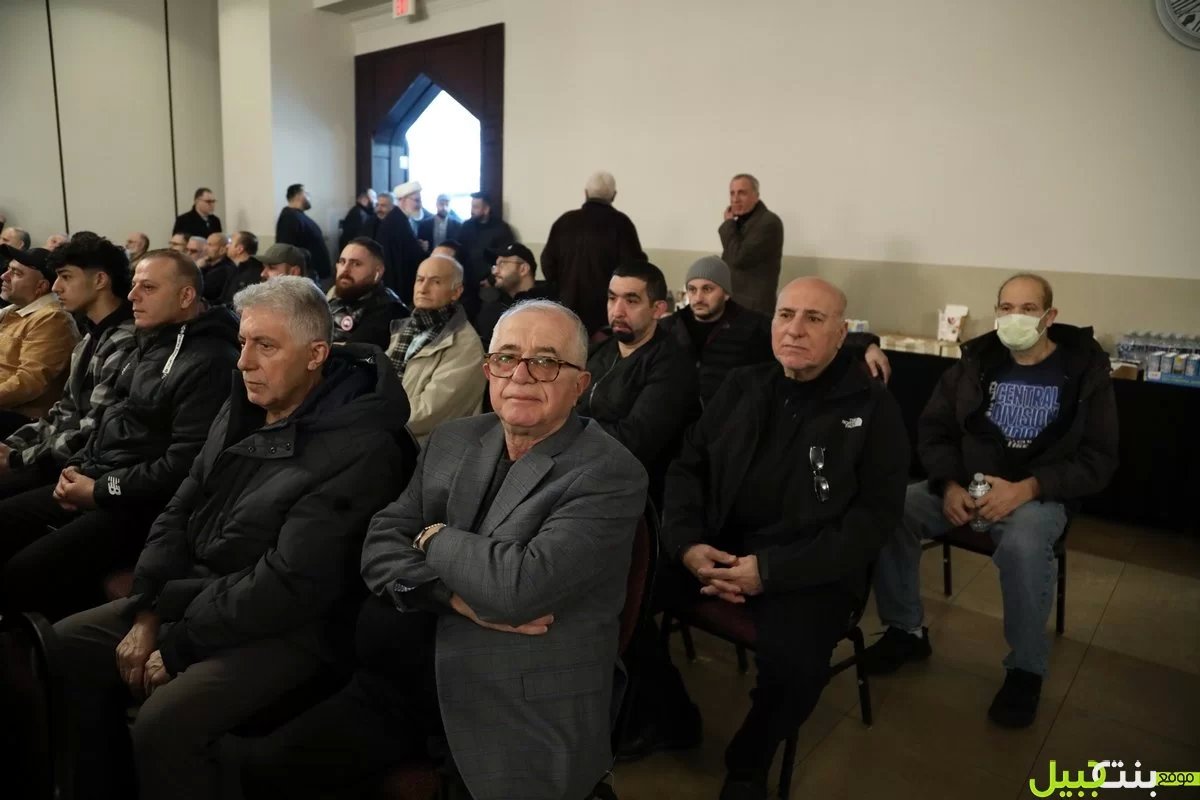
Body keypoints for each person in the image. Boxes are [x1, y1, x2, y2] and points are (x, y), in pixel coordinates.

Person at [243, 299, 648, 800]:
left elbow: (517, 590)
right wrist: (450, 596)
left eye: (545, 361)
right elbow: (379, 543)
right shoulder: (454, 439)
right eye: (506, 357)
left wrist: (432, 535)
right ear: (488, 370)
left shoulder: (609, 472)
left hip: (514, 700)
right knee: (265, 770)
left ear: (580, 383)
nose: (520, 375)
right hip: (403, 679)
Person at [53, 276, 412, 800]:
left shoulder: (363, 447)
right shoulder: (243, 404)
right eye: (243, 342)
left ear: (316, 354)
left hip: (291, 627)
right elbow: (181, 507)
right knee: (64, 646)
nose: (243, 361)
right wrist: (150, 608)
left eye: (265, 346)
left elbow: (290, 583)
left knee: (165, 724)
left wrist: (177, 641)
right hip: (194, 594)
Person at [658, 277, 910, 798]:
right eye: (785, 315)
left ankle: (748, 761)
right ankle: (668, 714)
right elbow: (688, 466)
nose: (794, 330)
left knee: (797, 668)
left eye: (814, 319)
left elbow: (874, 519)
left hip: (810, 569)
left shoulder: (872, 408)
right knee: (617, 592)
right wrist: (686, 544)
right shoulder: (743, 385)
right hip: (716, 549)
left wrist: (769, 572)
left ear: (841, 333)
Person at [865, 273, 1119, 729]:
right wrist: (948, 484)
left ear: (1049, 317)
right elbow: (935, 431)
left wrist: (1029, 488)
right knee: (891, 509)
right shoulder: (974, 364)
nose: (1014, 317)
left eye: (1027, 309)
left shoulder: (1084, 375)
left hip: (1038, 495)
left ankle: (1025, 669)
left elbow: (1098, 459)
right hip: (966, 487)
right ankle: (905, 630)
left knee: (1024, 545)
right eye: (1006, 308)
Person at [0, 250, 239, 621]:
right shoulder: (151, 340)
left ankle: (42, 646)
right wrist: (77, 467)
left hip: (141, 504)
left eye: (148, 288)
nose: (132, 296)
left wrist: (98, 489)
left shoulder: (210, 361)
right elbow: (107, 417)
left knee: (23, 571)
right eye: (134, 285)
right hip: (103, 475)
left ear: (186, 296)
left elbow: (181, 467)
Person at [0, 237, 135, 501]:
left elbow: (93, 429)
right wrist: (11, 446)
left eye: (66, 277)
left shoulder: (123, 341)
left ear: (100, 280)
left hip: (88, 468)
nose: (56, 286)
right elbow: (65, 411)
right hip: (62, 453)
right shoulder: (91, 337)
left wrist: (17, 458)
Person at [660, 256, 892, 405]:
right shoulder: (671, 326)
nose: (698, 297)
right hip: (680, 419)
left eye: (707, 289)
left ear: (726, 292)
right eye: (692, 289)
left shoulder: (750, 324)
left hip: (731, 417)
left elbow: (804, 334)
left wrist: (865, 345)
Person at [576, 260, 699, 505]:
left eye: (631, 301)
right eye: (612, 298)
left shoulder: (672, 365)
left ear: (658, 309)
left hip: (633, 490)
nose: (617, 311)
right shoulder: (599, 350)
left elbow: (634, 441)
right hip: (580, 469)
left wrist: (565, 430)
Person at [384, 255, 486, 442]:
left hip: (426, 447)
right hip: (389, 433)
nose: (423, 288)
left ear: (456, 292)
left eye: (435, 282)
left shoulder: (466, 345)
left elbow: (430, 412)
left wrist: (373, 418)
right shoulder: (405, 329)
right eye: (420, 279)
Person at [541, 171, 646, 336]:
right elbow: (635, 269)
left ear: (585, 193)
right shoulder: (622, 225)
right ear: (614, 196)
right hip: (605, 316)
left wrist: (562, 289)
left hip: (566, 309)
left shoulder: (564, 222)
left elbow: (547, 263)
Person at [0, 246, 80, 437]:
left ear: (41, 287)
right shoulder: (13, 311)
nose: (4, 276)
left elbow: (29, 383)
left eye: (16, 273)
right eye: (8, 269)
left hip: (23, 420)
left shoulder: (52, 319)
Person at [718, 174, 784, 317]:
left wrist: (728, 224)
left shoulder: (768, 222)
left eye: (742, 193)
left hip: (753, 308)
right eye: (732, 193)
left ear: (756, 196)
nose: (735, 199)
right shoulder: (740, 223)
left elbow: (738, 257)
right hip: (734, 303)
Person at [328, 237, 409, 349]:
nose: (345, 269)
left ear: (378, 272)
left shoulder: (390, 309)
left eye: (356, 264)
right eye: (342, 262)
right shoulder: (335, 298)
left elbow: (353, 353)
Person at [475, 242, 557, 345]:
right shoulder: (491, 309)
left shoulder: (551, 305)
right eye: (495, 266)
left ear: (523, 269)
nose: (494, 272)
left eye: (502, 264)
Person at [457, 191, 514, 318]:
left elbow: (506, 257)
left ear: (486, 209)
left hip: (490, 285)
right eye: (472, 206)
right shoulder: (466, 227)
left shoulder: (501, 229)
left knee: (488, 317)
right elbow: (459, 253)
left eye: (476, 207)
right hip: (467, 285)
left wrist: (491, 279)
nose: (472, 211)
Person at [373, 190, 424, 305]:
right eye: (416, 200)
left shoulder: (400, 219)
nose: (419, 205)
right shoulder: (396, 221)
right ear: (403, 200)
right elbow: (410, 255)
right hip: (397, 282)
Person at [275, 183, 333, 282]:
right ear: (298, 195)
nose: (309, 197)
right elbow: (286, 250)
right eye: (307, 193)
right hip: (307, 277)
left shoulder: (297, 216)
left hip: (315, 276)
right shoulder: (289, 218)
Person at [220, 231, 263, 306]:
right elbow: (224, 299)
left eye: (230, 243)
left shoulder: (254, 272)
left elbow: (243, 304)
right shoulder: (235, 269)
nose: (227, 246)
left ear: (240, 249)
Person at [199, 233, 234, 306]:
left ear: (222, 250)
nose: (205, 248)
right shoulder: (207, 265)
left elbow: (202, 291)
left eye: (210, 245)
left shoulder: (224, 270)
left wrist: (199, 269)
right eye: (206, 244)